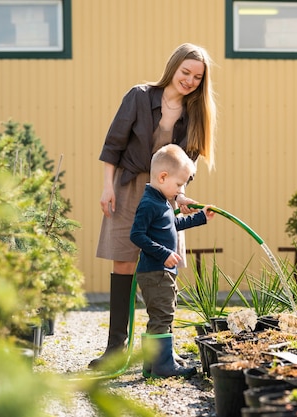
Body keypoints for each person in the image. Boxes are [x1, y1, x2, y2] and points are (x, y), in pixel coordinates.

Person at [92, 43, 217, 369]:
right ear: (174, 67)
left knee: (163, 271)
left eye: (197, 77)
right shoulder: (139, 96)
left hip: (166, 197)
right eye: (185, 72)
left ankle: (161, 352)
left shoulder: (195, 115)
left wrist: (181, 195)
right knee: (124, 266)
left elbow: (188, 165)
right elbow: (113, 145)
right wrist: (108, 187)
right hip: (130, 185)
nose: (189, 80)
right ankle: (115, 352)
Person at [130, 144, 215, 378]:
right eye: (179, 185)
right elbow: (137, 235)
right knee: (162, 316)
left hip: (162, 271)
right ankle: (163, 367)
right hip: (156, 271)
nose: (181, 190)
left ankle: (153, 364)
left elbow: (172, 226)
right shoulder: (150, 203)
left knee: (161, 315)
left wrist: (200, 218)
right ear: (163, 176)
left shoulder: (162, 202)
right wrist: (164, 253)